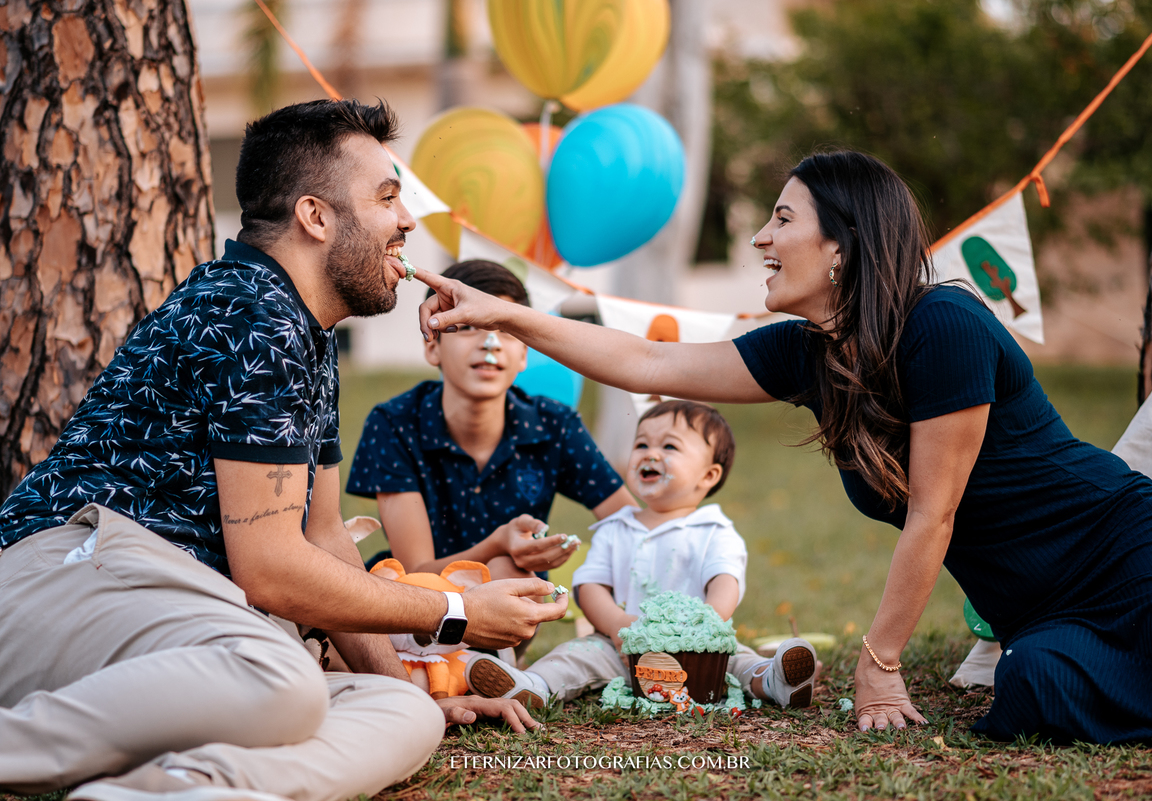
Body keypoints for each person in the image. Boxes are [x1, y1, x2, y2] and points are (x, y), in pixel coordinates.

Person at [411, 149, 1152, 744]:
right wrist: (507, 315)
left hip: (1127, 548)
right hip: (1039, 614)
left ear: (841, 247)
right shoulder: (808, 353)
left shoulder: (945, 325)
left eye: (783, 219)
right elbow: (646, 359)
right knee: (1033, 690)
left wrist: (880, 660)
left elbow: (935, 512)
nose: (760, 236)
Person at [0, 99, 566, 801]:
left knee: (403, 711)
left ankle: (167, 790)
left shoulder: (303, 329)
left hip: (168, 602)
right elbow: (270, 569)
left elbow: (323, 535)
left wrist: (407, 684)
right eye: (387, 197)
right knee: (281, 679)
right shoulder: (253, 311)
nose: (408, 221)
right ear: (316, 216)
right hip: (70, 574)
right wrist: (453, 611)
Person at [462, 400, 819, 710]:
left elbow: (725, 583)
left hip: (698, 648)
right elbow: (591, 587)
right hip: (621, 646)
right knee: (573, 657)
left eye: (670, 447)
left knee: (737, 659)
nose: (650, 453)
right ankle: (534, 687)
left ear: (708, 475)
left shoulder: (714, 530)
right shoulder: (615, 528)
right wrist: (617, 628)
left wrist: (700, 630)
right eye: (641, 444)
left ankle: (772, 679)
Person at [345, 260, 635, 583]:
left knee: (510, 573)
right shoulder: (394, 424)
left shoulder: (555, 424)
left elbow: (629, 525)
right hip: (418, 610)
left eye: (506, 331)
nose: (490, 344)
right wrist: (498, 544)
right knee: (500, 569)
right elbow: (416, 571)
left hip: (515, 602)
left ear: (524, 354)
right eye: (468, 327)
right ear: (432, 346)